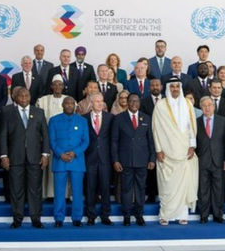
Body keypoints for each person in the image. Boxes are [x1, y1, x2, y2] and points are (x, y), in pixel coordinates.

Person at [0, 88, 49, 229]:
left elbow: (45, 135)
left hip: (35, 157)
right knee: (16, 190)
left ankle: (36, 218)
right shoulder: (7, 113)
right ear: (15, 97)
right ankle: (17, 219)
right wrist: (4, 156)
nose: (23, 98)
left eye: (26, 95)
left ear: (30, 97)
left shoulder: (39, 112)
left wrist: (45, 154)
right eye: (21, 96)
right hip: (15, 158)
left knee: (35, 190)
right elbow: (2, 135)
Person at [152, 77, 198, 225]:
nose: (175, 89)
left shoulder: (187, 104)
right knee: (167, 186)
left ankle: (182, 215)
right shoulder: (160, 105)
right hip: (166, 152)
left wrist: (192, 146)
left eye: (177, 86)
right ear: (168, 88)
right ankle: (165, 215)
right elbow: (155, 129)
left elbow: (191, 127)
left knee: (183, 185)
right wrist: (158, 149)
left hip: (184, 151)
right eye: (172, 87)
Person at [111, 93, 155, 226]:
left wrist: (152, 159)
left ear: (139, 103)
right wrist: (115, 160)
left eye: (136, 101)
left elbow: (151, 140)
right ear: (127, 102)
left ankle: (139, 214)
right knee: (126, 189)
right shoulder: (119, 118)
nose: (134, 104)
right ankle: (127, 215)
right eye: (131, 101)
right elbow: (114, 141)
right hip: (125, 160)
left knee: (141, 189)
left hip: (142, 160)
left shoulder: (146, 118)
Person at [48, 96, 89, 227]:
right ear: (62, 105)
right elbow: (52, 141)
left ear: (75, 106)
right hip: (60, 161)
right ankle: (58, 218)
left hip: (77, 161)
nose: (69, 105)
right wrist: (60, 154)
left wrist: (75, 152)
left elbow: (86, 141)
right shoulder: (54, 120)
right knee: (59, 192)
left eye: (72, 103)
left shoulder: (82, 121)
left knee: (77, 192)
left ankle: (77, 218)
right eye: (67, 103)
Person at [195, 96, 225, 223]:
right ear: (201, 108)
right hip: (202, 160)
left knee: (218, 188)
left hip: (218, 159)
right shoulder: (196, 122)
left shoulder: (222, 121)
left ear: (214, 107)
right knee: (203, 189)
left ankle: (218, 214)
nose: (207, 108)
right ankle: (204, 215)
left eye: (209, 105)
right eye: (204, 106)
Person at [36, 75, 68, 199]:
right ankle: (48, 194)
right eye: (55, 84)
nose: (58, 87)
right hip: (48, 140)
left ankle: (65, 195)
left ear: (63, 86)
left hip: (65, 143)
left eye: (60, 84)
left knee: (63, 167)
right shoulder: (43, 100)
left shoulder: (69, 100)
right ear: (51, 86)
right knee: (48, 168)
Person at [85, 93, 114, 225]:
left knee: (105, 188)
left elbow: (113, 139)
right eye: (97, 101)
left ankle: (105, 215)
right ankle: (91, 216)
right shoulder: (83, 118)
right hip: (89, 158)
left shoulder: (110, 118)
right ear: (91, 103)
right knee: (90, 188)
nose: (100, 103)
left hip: (105, 159)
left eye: (101, 101)